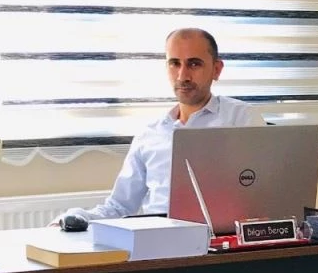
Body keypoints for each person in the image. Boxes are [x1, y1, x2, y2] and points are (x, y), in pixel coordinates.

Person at [53, 28, 264, 226]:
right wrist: (76, 216)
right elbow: (120, 206)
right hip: (159, 238)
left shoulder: (242, 118)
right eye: (175, 64)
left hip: (224, 238)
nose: (182, 76)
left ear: (216, 69)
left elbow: (264, 193)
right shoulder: (150, 134)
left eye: (194, 64)